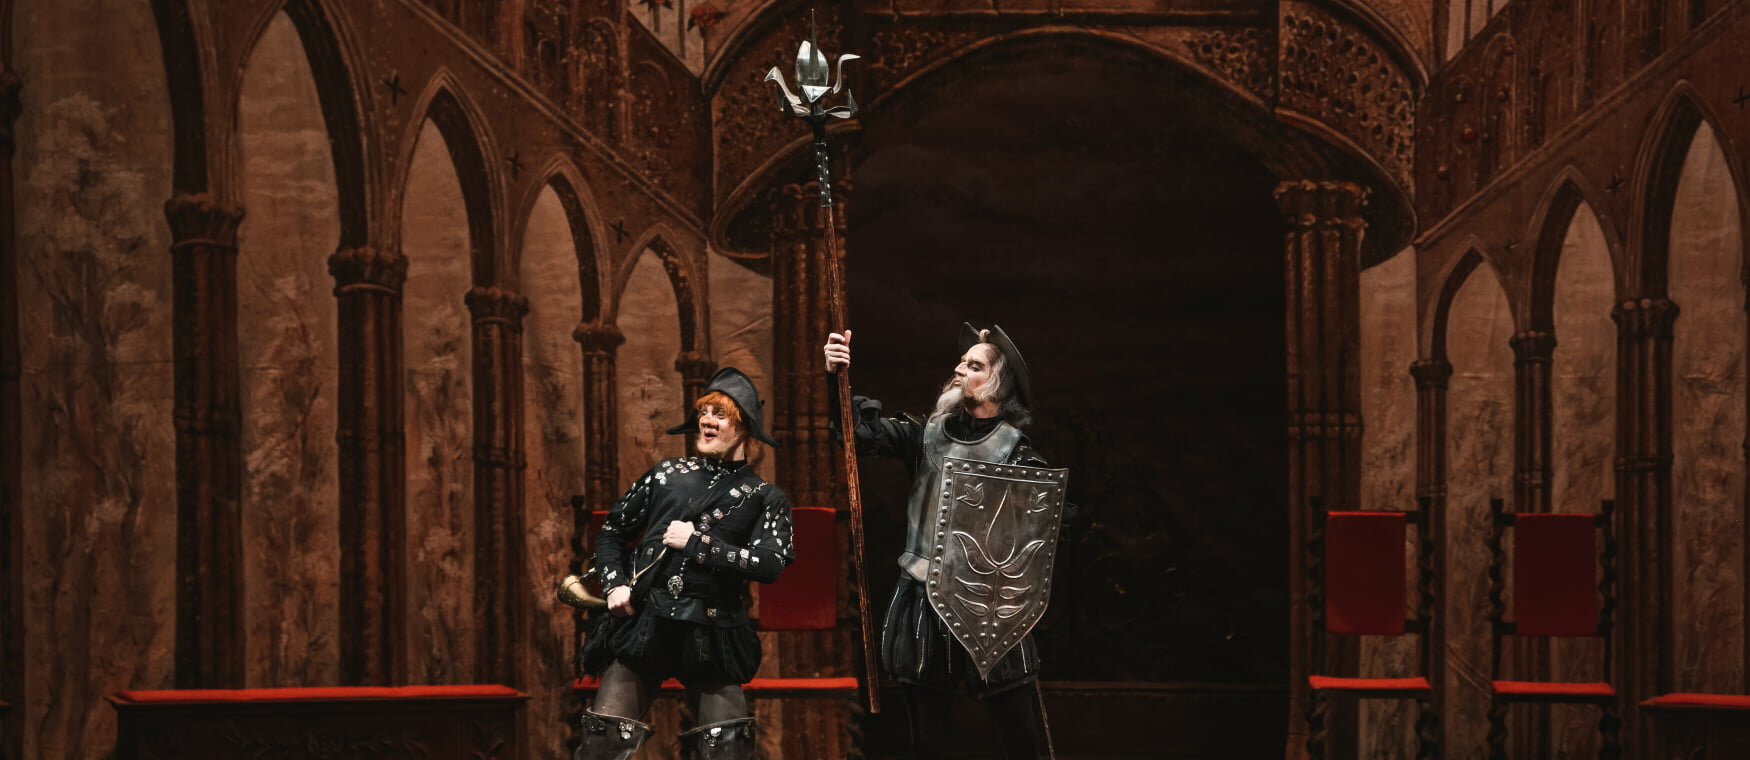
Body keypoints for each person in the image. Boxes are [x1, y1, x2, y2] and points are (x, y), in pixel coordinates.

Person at [823, 324, 1057, 760]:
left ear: (998, 383)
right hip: (923, 598)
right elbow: (857, 434)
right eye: (961, 362)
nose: (959, 369)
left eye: (974, 365)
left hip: (989, 605)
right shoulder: (926, 433)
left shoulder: (1016, 453)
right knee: (926, 742)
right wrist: (836, 376)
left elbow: (1042, 527)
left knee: (1021, 739)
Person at [571, 367, 792, 760]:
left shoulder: (765, 495)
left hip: (713, 631)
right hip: (646, 623)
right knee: (602, 742)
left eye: (720, 414)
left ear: (744, 427)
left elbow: (770, 564)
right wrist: (614, 583)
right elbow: (611, 533)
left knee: (728, 750)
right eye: (704, 412)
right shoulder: (666, 474)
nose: (707, 420)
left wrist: (697, 544)